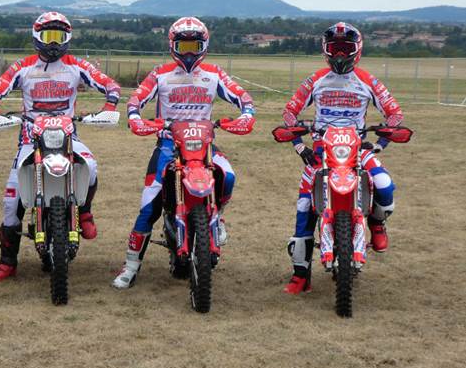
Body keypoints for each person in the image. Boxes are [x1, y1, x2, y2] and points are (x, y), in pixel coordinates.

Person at [112, 16, 256, 289]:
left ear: (204, 46)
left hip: (204, 145)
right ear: (173, 45)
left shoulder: (214, 74)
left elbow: (241, 96)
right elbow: (137, 98)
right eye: (183, 45)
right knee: (149, 205)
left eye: (194, 45)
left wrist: (247, 113)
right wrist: (134, 116)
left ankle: (217, 216)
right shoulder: (160, 73)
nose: (189, 52)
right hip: (169, 144)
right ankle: (130, 266)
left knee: (228, 176)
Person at [0, 11, 121, 283]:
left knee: (91, 166)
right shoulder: (23, 66)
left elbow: (111, 85)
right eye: (48, 36)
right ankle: (7, 262)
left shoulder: (76, 65)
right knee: (11, 202)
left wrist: (109, 106)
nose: (54, 42)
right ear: (37, 36)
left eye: (60, 36)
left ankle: (84, 211)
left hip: (68, 137)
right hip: (30, 139)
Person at [282, 22, 404, 294]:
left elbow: (395, 114)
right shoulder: (315, 79)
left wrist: (380, 143)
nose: (339, 54)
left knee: (384, 185)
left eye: (344, 48)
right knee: (304, 208)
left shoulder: (368, 80)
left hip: (357, 150)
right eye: (334, 48)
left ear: (356, 49)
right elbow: (289, 113)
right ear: (325, 49)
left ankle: (376, 223)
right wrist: (299, 146)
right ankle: (300, 276)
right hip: (321, 152)